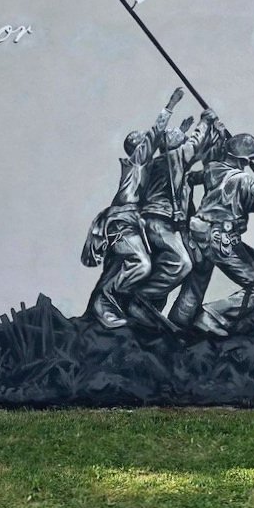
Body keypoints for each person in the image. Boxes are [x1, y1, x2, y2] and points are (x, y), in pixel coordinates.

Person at [168, 133, 254, 331]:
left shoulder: (211, 169)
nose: (249, 163)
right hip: (222, 238)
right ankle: (210, 315)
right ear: (242, 159)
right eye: (249, 160)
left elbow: (190, 179)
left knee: (198, 279)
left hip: (198, 232)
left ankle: (178, 321)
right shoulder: (244, 180)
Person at [82, 88, 184, 328]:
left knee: (140, 264)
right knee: (141, 264)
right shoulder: (137, 161)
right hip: (121, 221)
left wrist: (183, 132)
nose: (148, 141)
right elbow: (156, 135)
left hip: (131, 220)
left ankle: (121, 302)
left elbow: (166, 143)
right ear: (137, 147)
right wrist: (170, 106)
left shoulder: (145, 166)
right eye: (143, 140)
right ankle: (104, 302)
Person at [137, 109, 220, 311]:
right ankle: (140, 298)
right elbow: (194, 145)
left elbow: (198, 154)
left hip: (165, 224)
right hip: (159, 222)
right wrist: (205, 122)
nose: (184, 142)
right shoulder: (173, 159)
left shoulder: (164, 162)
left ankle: (154, 310)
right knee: (181, 263)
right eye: (180, 140)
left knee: (181, 263)